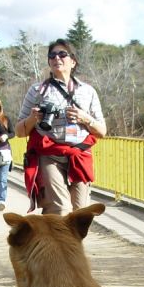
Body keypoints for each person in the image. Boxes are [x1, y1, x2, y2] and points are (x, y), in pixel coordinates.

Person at [15, 39, 107, 214]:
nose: (57, 58)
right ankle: (57, 239)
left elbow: (102, 131)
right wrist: (34, 118)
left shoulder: (87, 91)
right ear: (49, 62)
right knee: (61, 209)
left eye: (62, 54)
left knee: (81, 214)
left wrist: (85, 118)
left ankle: (67, 240)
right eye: (52, 55)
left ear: (73, 61)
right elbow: (20, 131)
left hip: (79, 153)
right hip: (50, 155)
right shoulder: (37, 91)